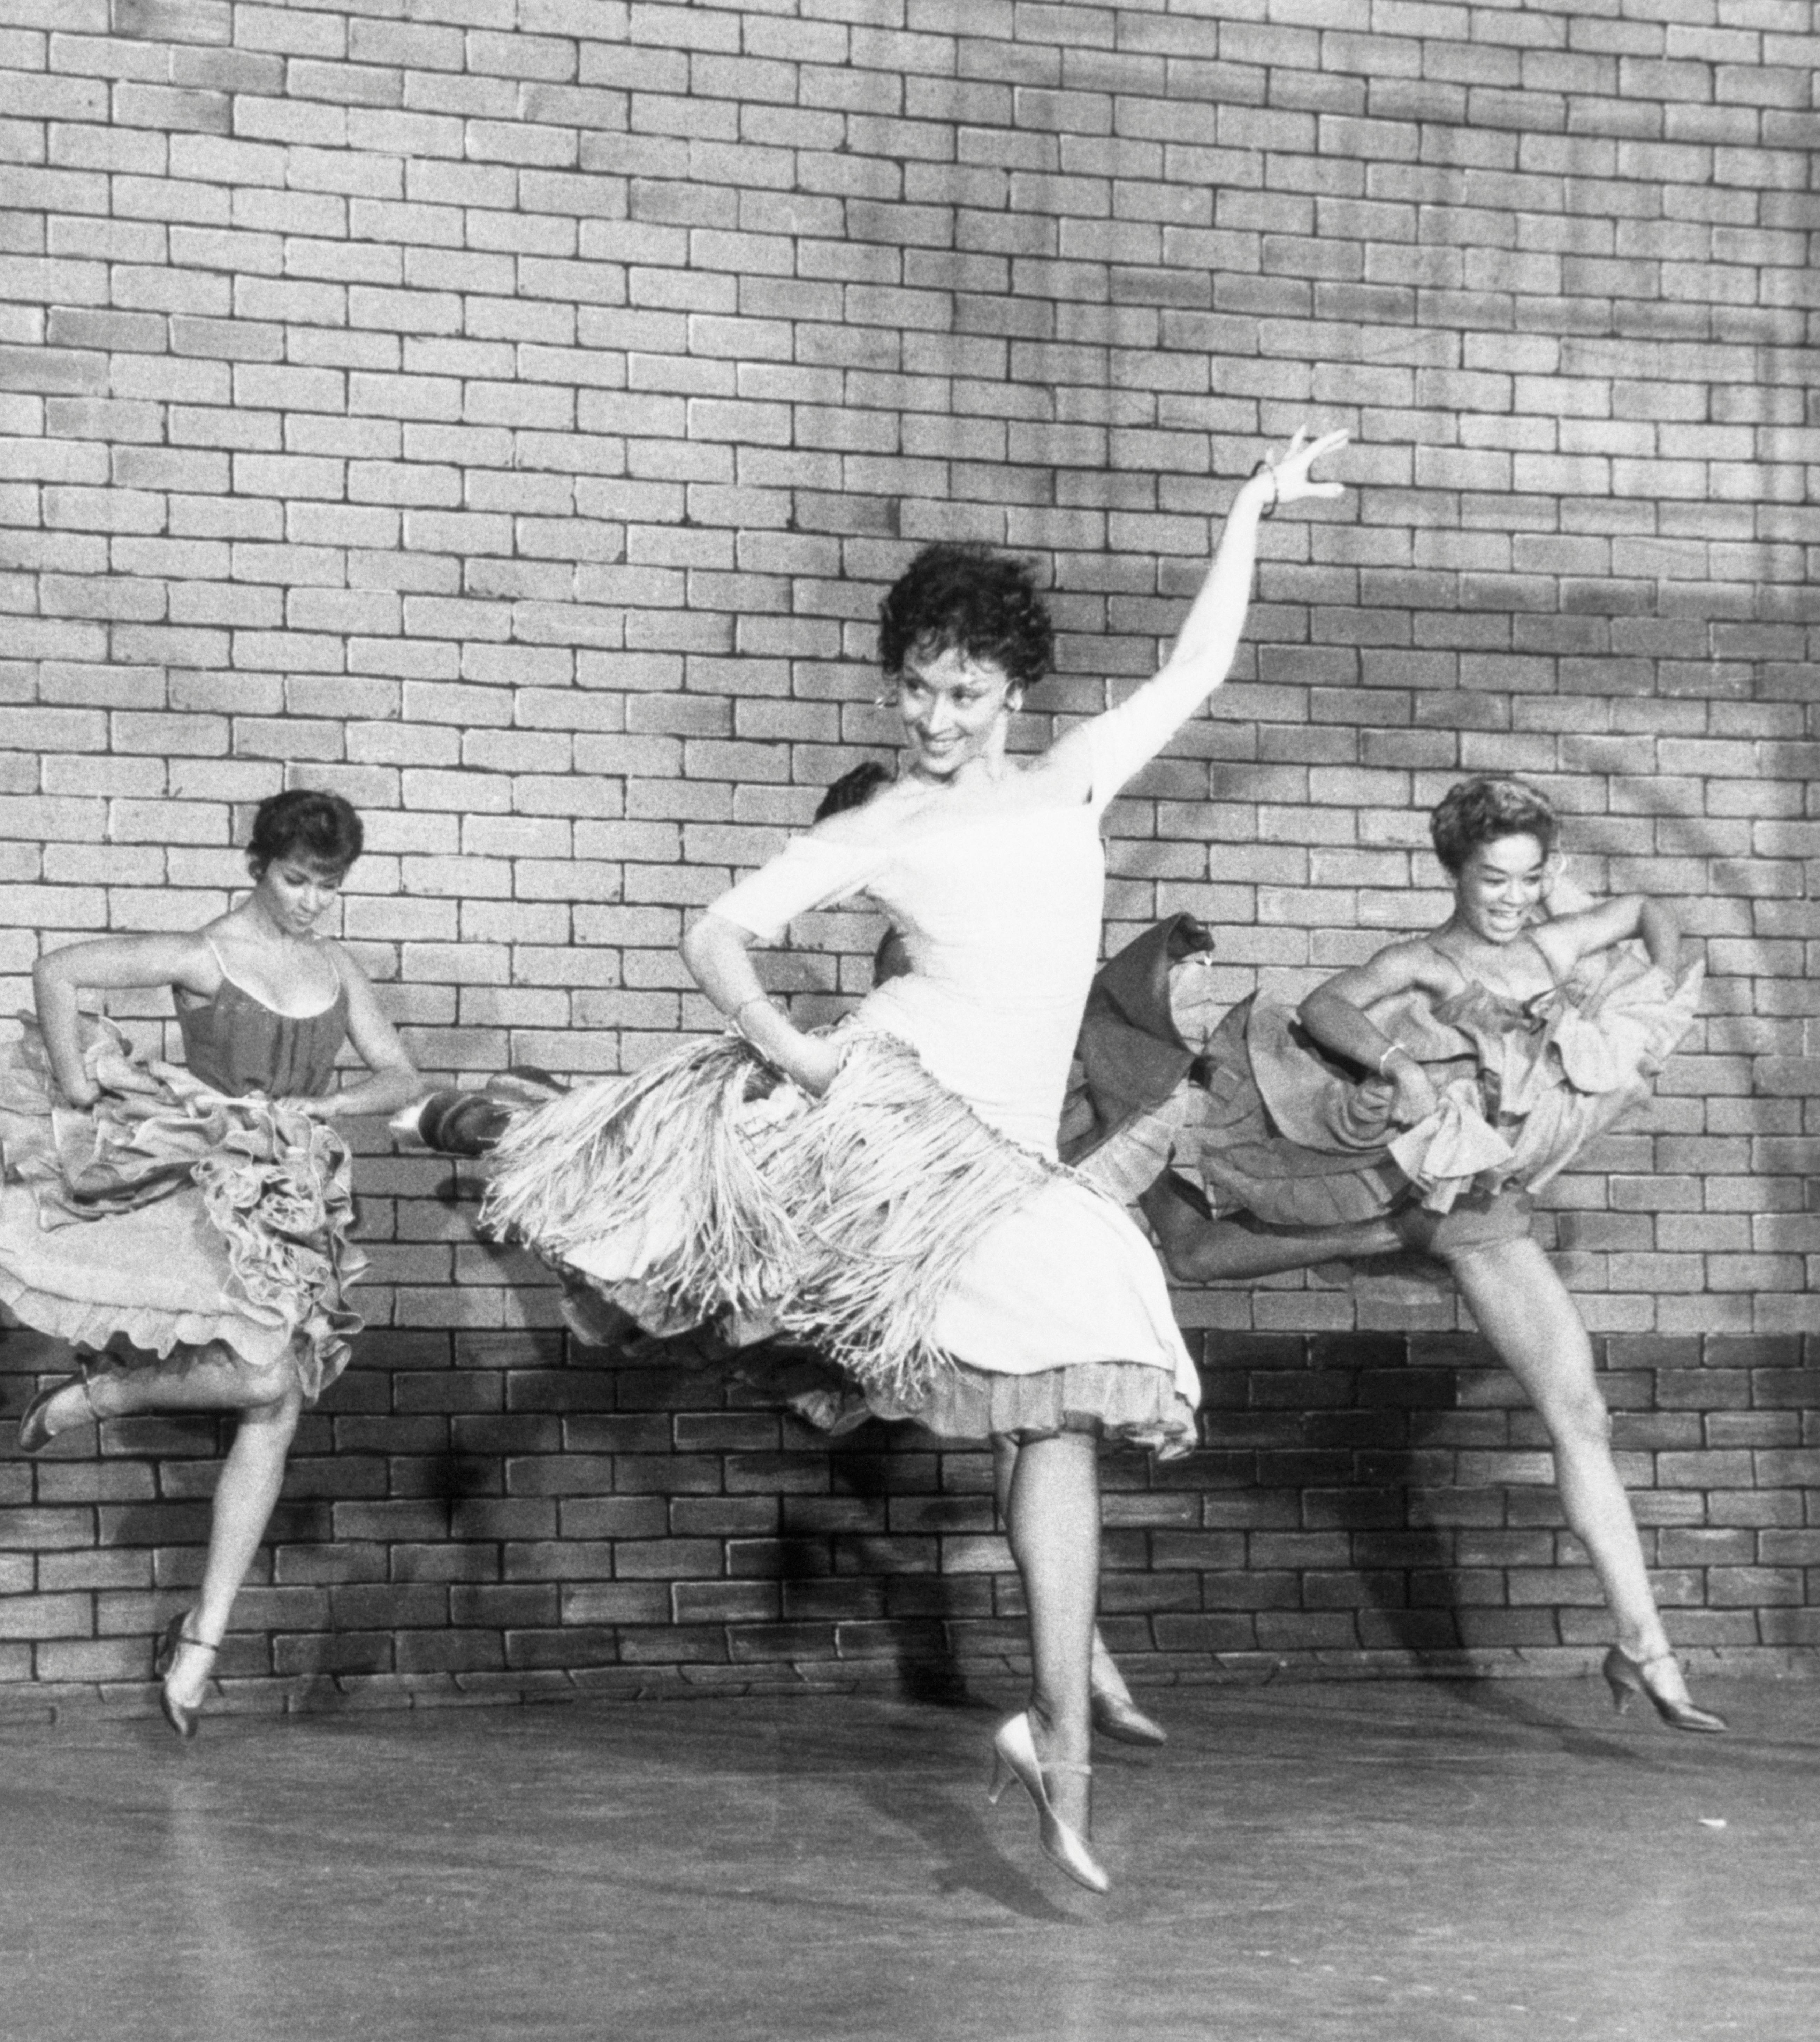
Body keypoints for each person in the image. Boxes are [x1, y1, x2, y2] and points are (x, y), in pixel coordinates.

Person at [482, 430, 1350, 1892]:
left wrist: (1243, 512)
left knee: (1061, 1415)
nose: (937, 715)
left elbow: (1197, 671)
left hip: (1000, 1160)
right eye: (917, 688)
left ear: (1014, 691)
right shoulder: (890, 819)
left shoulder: (1075, 779)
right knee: (689, 1278)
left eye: (963, 690)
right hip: (889, 1122)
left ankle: (1057, 1740)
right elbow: (715, 932)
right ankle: (492, 1132)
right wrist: (797, 1049)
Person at [1178, 775, 1716, 1730]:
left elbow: (1644, 911)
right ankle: (1166, 1173)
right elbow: (1326, 1007)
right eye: (1490, 882)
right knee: (1208, 1255)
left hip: (1487, 1204)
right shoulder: (1425, 962)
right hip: (1426, 1187)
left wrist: (1659, 1008)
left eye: (1525, 880)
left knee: (1580, 1415)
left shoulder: (1553, 941)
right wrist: (1398, 1069)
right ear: (1454, 874)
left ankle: (1643, 1644)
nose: (1509, 901)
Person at [0, 790, 425, 1737]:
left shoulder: (336, 965)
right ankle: (102, 1398)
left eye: (328, 886)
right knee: (265, 1375)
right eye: (296, 880)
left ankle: (203, 1639)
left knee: (279, 1400)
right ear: (258, 866)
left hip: (298, 1197)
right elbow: (58, 971)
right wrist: (76, 1088)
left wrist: (331, 1111)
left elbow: (399, 1076)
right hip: (212, 1195)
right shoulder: (206, 952)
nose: (310, 901)